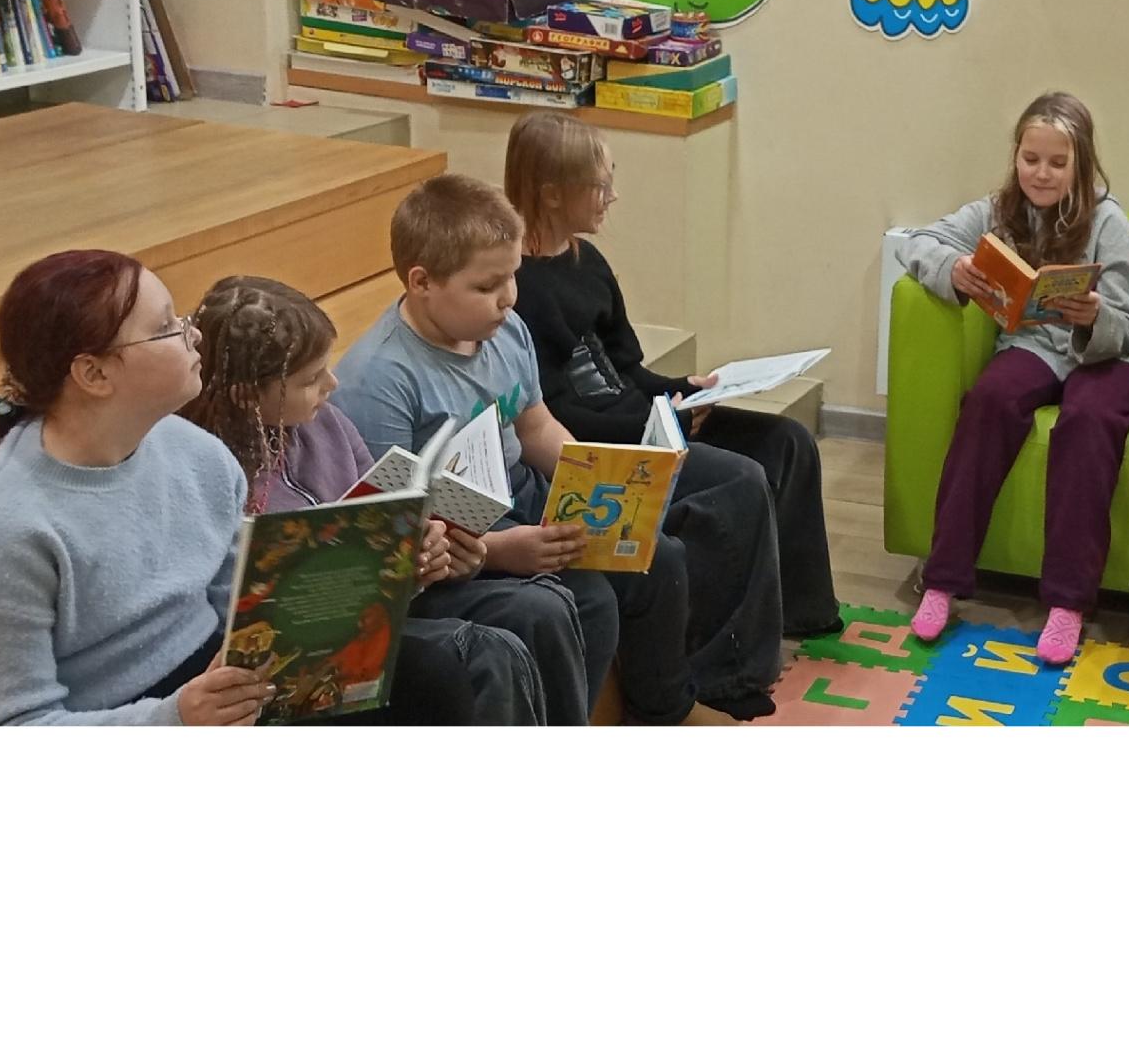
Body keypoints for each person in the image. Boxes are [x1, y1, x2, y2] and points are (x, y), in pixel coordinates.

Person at [333, 173, 781, 724]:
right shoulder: (379, 380)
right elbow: (395, 528)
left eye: (512, 277)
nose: (508, 298)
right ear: (422, 282)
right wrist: (501, 550)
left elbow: (535, 426)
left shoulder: (505, 330)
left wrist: (601, 476)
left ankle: (666, 709)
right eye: (486, 286)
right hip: (456, 543)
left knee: (658, 556)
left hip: (524, 499)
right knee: (586, 599)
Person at [181, 273, 586, 725]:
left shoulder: (327, 424)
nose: (332, 385)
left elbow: (382, 523)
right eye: (311, 379)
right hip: (311, 646)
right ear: (246, 396)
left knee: (541, 608)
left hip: (383, 606)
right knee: (486, 654)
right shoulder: (210, 471)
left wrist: (429, 555)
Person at [504, 113, 841, 639]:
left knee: (788, 441)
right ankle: (730, 654)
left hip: (648, 421)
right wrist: (660, 420)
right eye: (599, 185)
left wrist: (684, 390)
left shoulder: (587, 261)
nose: (612, 197)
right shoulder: (517, 289)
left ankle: (802, 614)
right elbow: (560, 415)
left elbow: (627, 370)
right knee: (740, 478)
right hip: (608, 445)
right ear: (551, 194)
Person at [0, 250, 275, 726]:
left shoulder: (196, 452)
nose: (195, 334)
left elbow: (239, 605)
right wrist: (175, 722)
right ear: (94, 374)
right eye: (166, 327)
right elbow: (14, 725)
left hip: (209, 693)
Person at [895, 90, 1129, 665]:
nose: (1042, 173)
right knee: (988, 400)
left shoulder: (1108, 222)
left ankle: (1067, 601)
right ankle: (943, 579)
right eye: (1031, 159)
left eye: (1058, 163)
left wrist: (1094, 316)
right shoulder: (995, 212)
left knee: (1087, 421)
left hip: (1105, 356)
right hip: (1034, 343)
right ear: (1015, 156)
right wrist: (954, 269)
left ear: (1081, 165)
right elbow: (919, 242)